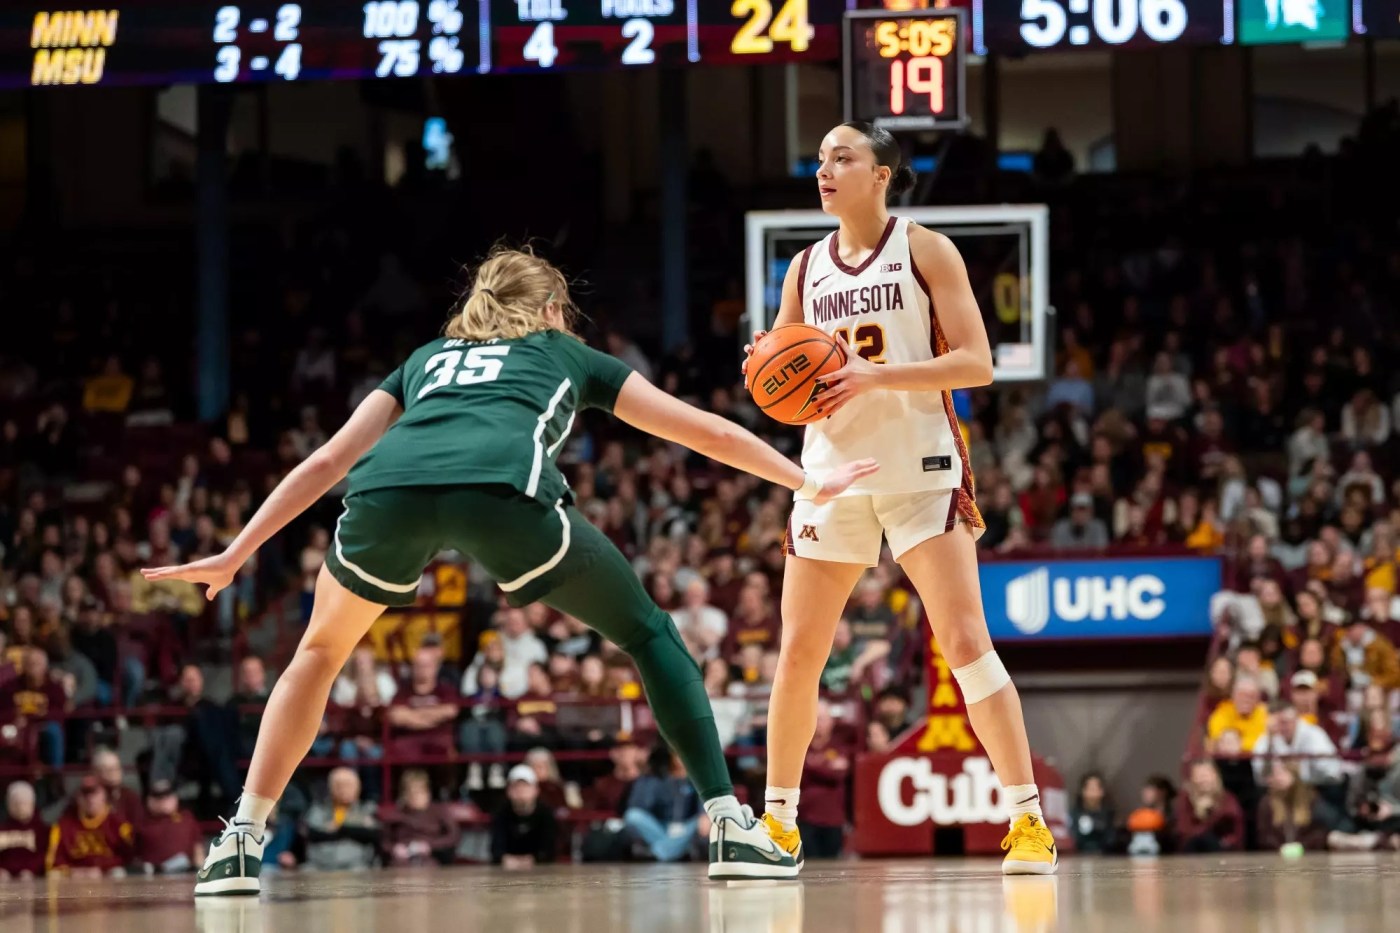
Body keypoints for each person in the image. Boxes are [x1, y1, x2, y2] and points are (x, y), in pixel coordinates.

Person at [144, 246, 873, 894]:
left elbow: (331, 458)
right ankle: (729, 824)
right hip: (501, 490)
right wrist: (805, 480)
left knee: (317, 654)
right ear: (552, 308)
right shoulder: (566, 352)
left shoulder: (426, 358)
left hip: (389, 490)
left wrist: (238, 550)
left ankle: (240, 840)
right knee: (649, 633)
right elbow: (703, 430)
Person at [742, 121, 1054, 876]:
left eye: (842, 157)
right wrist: (763, 366)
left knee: (967, 644)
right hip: (833, 474)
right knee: (799, 654)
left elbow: (977, 363)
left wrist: (874, 376)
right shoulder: (804, 268)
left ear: (881, 174)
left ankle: (1028, 820)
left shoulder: (926, 249)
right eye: (820, 159)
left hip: (920, 466)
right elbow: (782, 372)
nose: (825, 170)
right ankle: (777, 826)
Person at [491, 764, 558, 869]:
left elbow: (550, 849)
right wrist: (505, 859)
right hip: (507, 871)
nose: (520, 791)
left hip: (541, 871)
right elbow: (496, 848)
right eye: (516, 786)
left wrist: (534, 859)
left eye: (525, 786)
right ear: (508, 791)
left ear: (536, 790)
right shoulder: (501, 813)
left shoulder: (546, 814)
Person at [0, 781, 46, 879]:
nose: (20, 808)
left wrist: (31, 870)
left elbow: (43, 855)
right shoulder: (3, 829)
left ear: (32, 804)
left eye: (24, 803)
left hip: (32, 877)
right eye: (15, 803)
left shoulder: (41, 829)